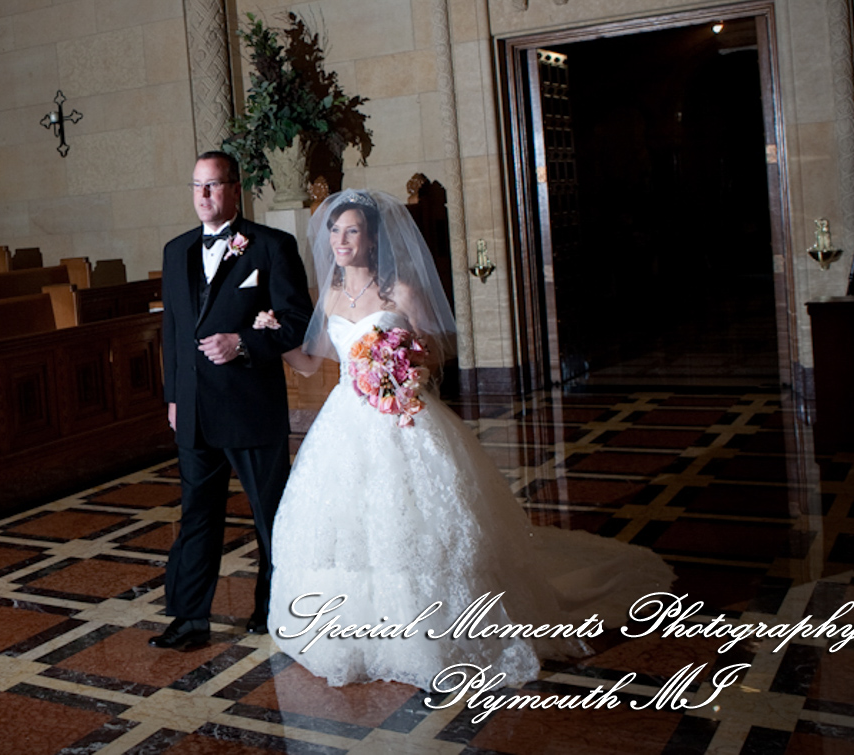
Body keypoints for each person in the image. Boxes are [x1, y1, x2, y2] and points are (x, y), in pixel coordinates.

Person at [267, 188, 673, 687]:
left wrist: (400, 364)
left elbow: (437, 352)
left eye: (353, 230)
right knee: (348, 525)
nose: (341, 240)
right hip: (344, 424)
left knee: (414, 519)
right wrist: (274, 336)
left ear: (372, 239)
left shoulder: (401, 292)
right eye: (335, 230)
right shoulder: (329, 296)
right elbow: (311, 365)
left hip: (403, 417)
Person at [152, 151, 313, 651]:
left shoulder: (272, 246)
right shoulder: (175, 250)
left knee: (270, 515)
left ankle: (275, 607)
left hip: (249, 406)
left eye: (214, 185)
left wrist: (242, 343)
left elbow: (297, 323)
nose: (204, 195)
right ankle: (188, 618)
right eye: (197, 186)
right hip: (194, 409)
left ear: (236, 189)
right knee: (197, 515)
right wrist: (174, 397)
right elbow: (172, 331)